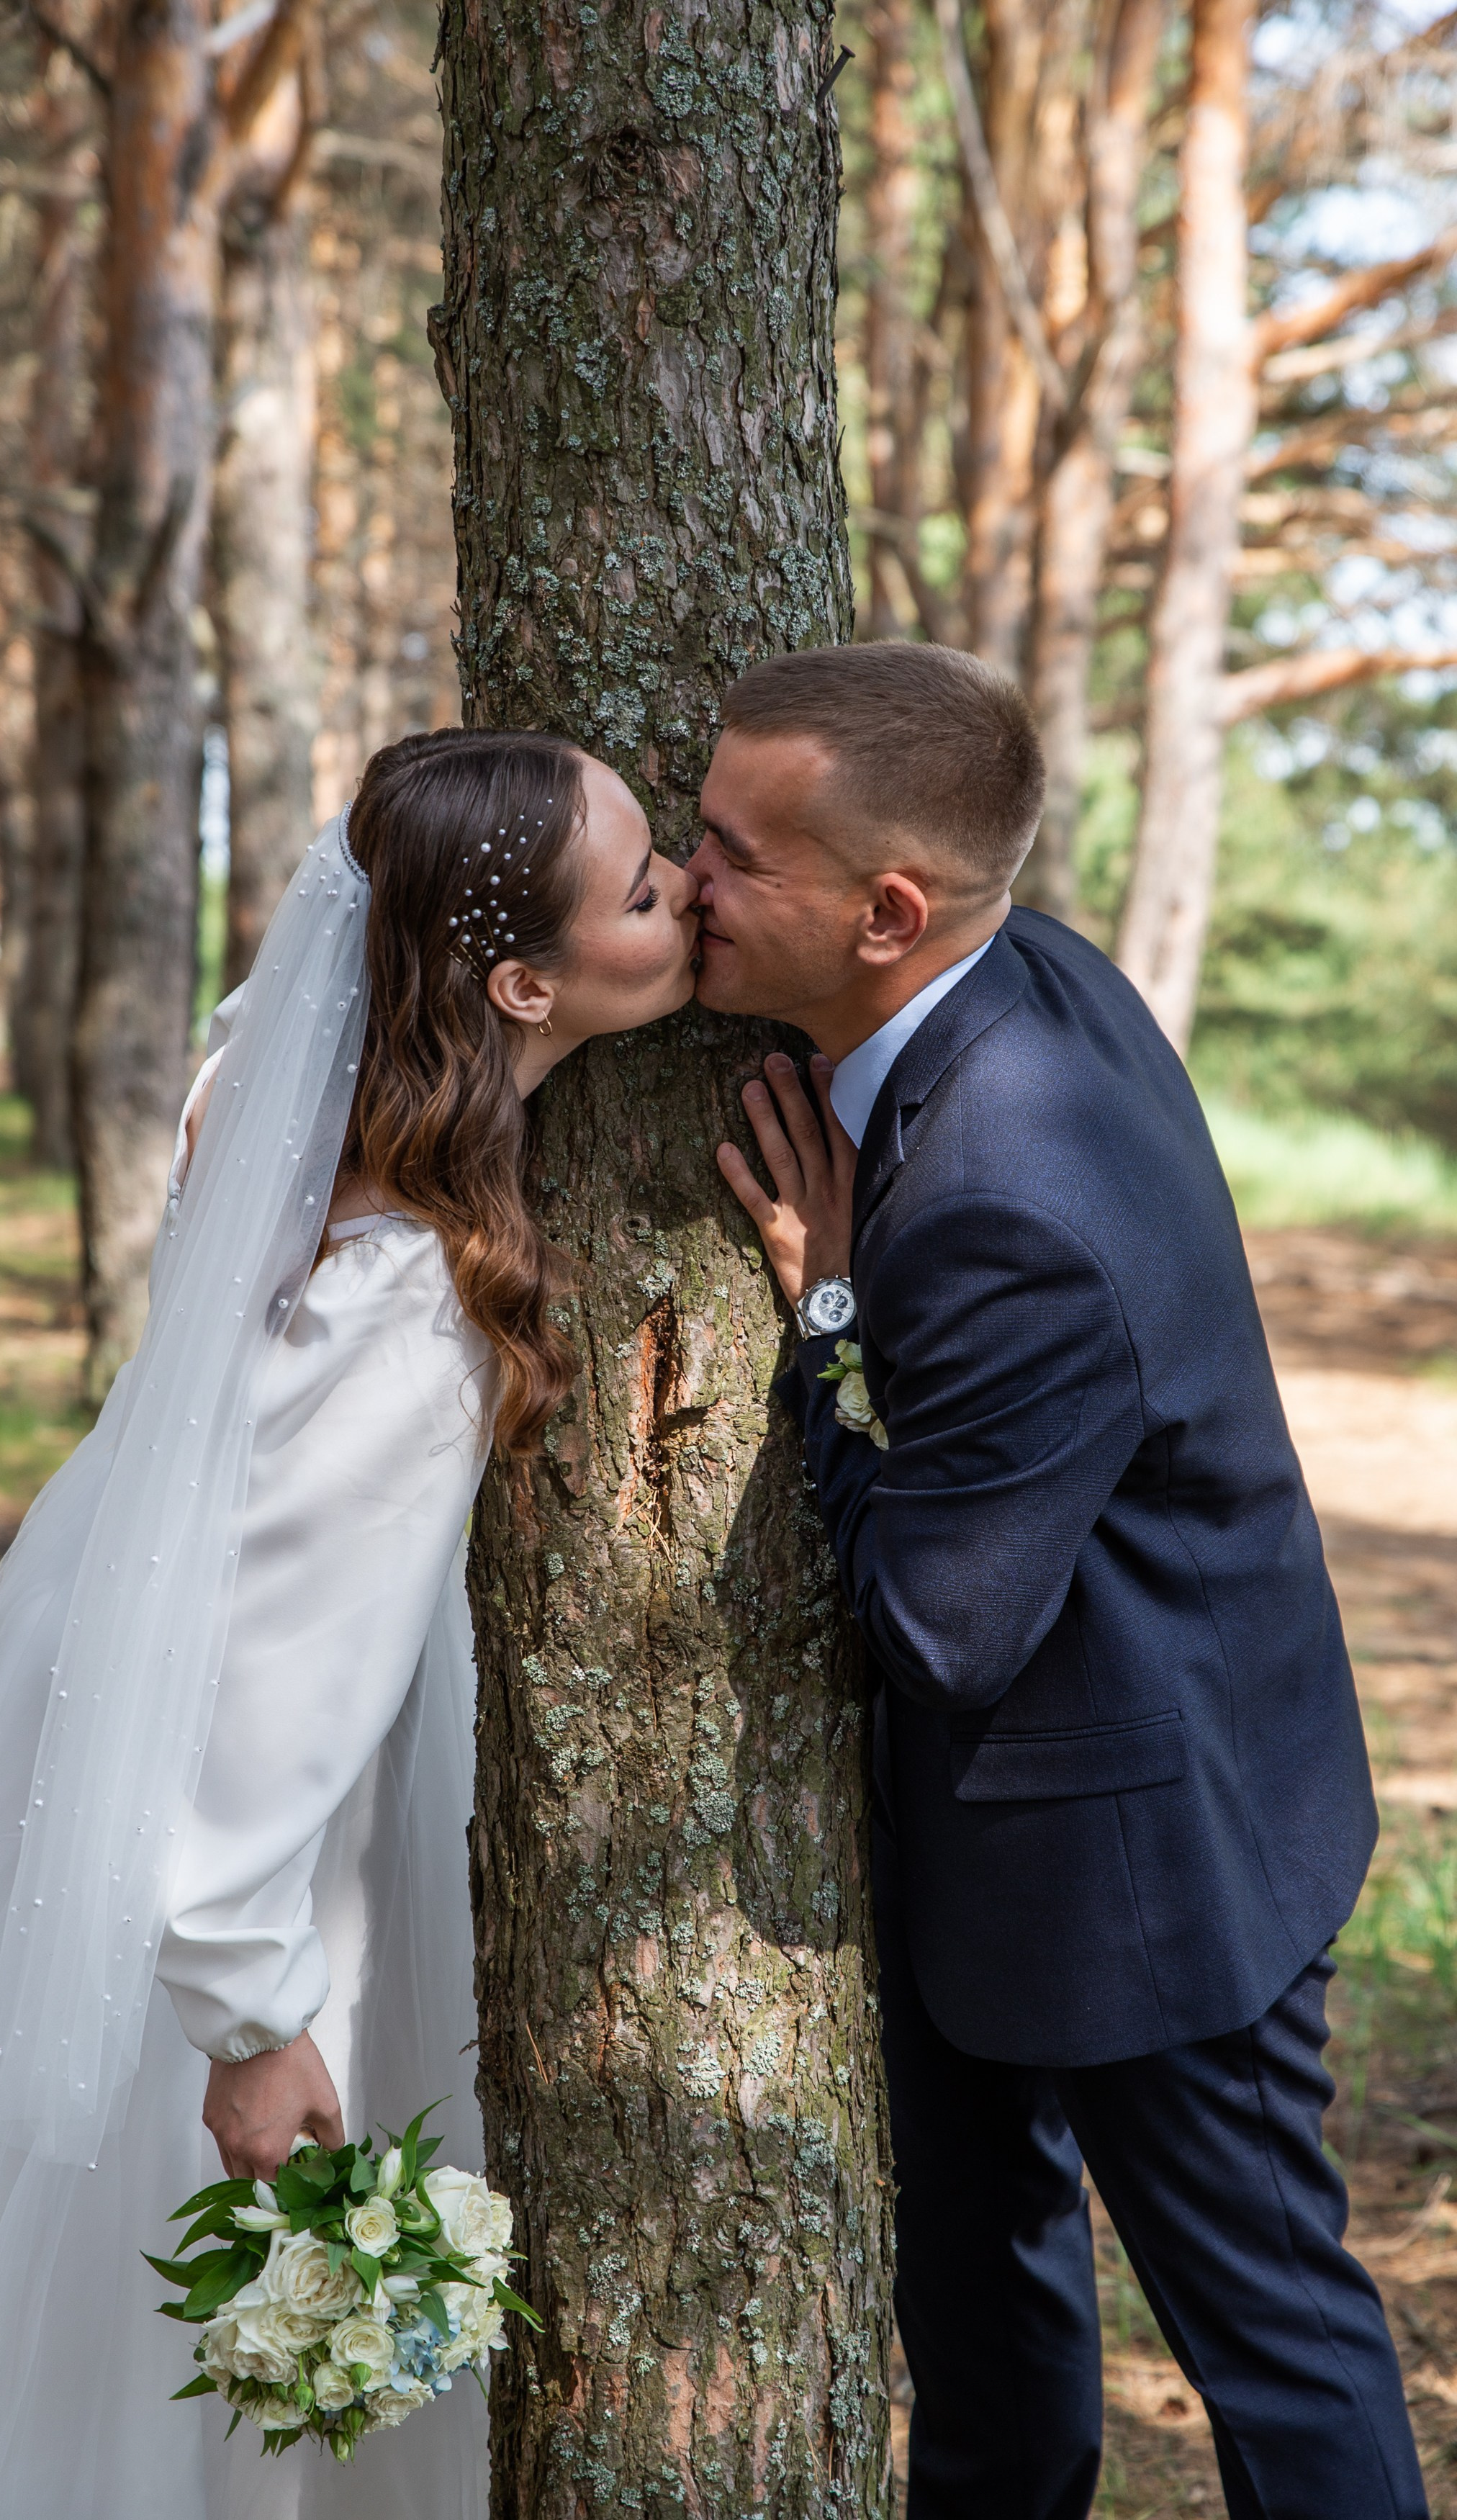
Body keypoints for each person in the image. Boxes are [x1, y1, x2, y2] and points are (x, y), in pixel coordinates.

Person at [0, 727, 699, 2520]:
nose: (689, 896)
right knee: (188, 2300)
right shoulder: (404, 1302)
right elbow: (274, 1679)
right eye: (648, 885)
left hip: (131, 1697)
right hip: (220, 1815)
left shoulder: (291, 1102)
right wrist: (254, 2013)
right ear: (520, 981)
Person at [693, 639, 1427, 2520]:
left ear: (888, 911)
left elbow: (945, 1625)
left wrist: (831, 1305)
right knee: (993, 2331)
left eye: (727, 853)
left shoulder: (1004, 1193)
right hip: (1000, 1845)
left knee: (1273, 2342)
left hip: (1149, 1858)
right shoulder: (1026, 964)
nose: (682, 882)